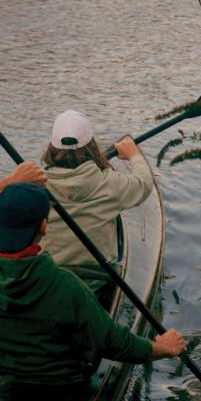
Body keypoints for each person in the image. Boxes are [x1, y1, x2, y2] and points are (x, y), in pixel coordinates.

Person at [0, 162, 184, 384]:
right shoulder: (65, 286)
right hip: (56, 388)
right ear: (44, 227)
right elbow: (112, 342)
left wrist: (10, 181)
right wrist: (160, 349)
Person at [42, 109, 153, 291]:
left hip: (47, 281)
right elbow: (144, 184)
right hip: (94, 284)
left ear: (51, 148)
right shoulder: (111, 184)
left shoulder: (35, 186)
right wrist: (135, 155)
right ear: (92, 145)